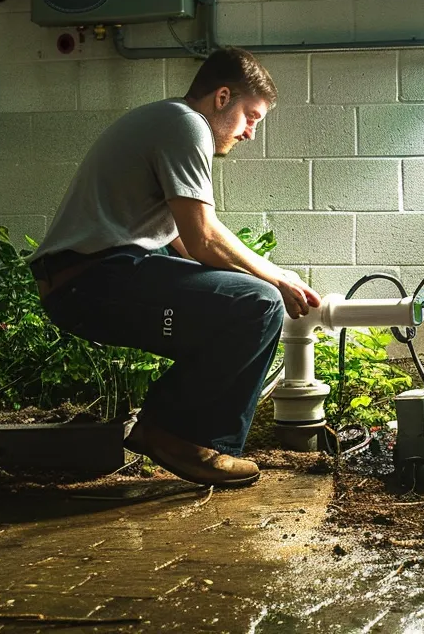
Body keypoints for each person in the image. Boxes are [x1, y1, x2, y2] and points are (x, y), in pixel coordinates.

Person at [26, 47, 321, 488]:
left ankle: (168, 427)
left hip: (95, 275)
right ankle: (180, 436)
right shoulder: (187, 125)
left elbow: (182, 240)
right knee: (258, 303)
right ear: (222, 97)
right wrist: (276, 278)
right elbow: (203, 236)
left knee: (240, 299)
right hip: (89, 280)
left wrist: (249, 280)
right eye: (251, 117)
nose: (250, 134)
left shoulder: (168, 120)